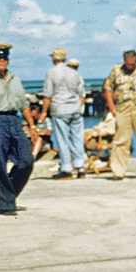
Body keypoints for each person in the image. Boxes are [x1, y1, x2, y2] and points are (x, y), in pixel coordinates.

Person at [0, 42, 35, 215]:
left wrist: (32, 126)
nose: (1, 60)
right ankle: (7, 203)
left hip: (14, 120)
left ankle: (5, 191)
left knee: (27, 161)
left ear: (8, 60)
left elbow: (24, 104)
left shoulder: (14, 78)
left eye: (4, 57)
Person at [102, 49, 136, 180]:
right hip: (122, 107)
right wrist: (111, 107)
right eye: (128, 64)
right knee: (121, 140)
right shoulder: (116, 70)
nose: (130, 67)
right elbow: (108, 88)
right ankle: (118, 172)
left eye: (132, 64)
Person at [37, 46, 87, 178]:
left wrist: (43, 112)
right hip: (75, 108)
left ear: (54, 58)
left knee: (63, 139)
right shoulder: (74, 73)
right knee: (77, 138)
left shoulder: (51, 72)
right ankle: (80, 167)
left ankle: (66, 169)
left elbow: (47, 94)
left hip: (60, 109)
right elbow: (81, 94)